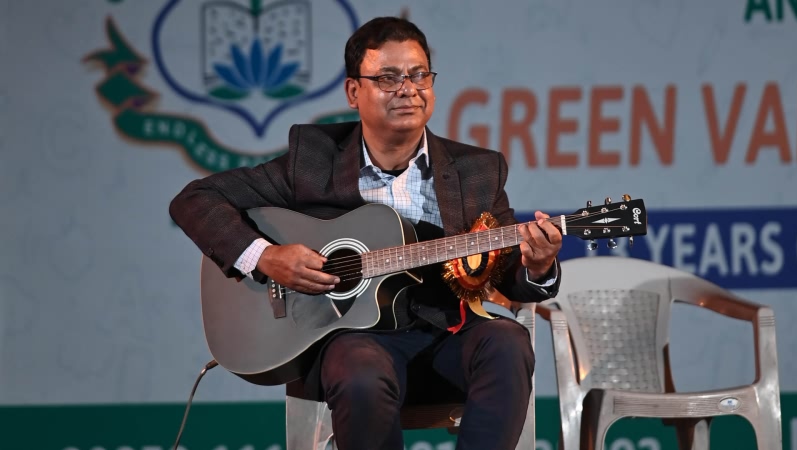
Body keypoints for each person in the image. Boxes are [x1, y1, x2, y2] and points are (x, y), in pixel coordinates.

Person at [170, 16, 562, 450]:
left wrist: (538, 265)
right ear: (353, 92)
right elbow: (195, 200)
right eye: (388, 78)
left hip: (447, 337)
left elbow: (507, 273)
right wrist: (265, 257)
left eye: (419, 75)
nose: (408, 89)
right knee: (360, 370)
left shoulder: (476, 170)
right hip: (353, 343)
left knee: (508, 342)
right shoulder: (313, 161)